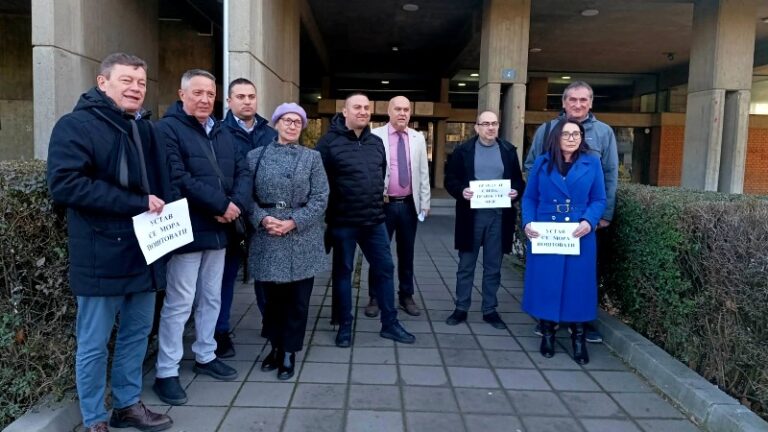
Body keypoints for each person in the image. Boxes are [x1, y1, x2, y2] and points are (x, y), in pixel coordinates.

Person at [47, 52, 173, 432]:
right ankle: (94, 420)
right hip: (100, 253)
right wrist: (136, 202)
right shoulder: (75, 126)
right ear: (102, 83)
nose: (136, 88)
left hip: (145, 251)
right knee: (93, 343)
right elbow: (65, 185)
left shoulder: (143, 127)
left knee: (136, 334)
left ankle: (127, 405)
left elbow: (160, 185)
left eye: (141, 82)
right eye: (126, 81)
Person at [153, 69, 251, 405]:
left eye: (210, 93)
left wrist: (234, 204)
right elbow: (176, 177)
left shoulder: (223, 131)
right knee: (179, 303)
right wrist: (221, 204)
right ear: (181, 95)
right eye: (197, 93)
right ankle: (167, 371)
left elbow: (243, 171)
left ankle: (206, 354)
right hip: (188, 230)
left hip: (221, 230)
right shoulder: (167, 129)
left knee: (212, 297)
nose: (205, 99)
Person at [316, 92, 415, 348]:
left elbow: (380, 174)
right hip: (343, 222)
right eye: (357, 107)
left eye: (366, 108)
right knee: (342, 274)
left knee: (385, 269)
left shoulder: (375, 142)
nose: (362, 111)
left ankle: (390, 324)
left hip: (374, 221)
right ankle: (345, 326)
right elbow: (319, 183)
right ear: (345, 111)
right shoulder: (328, 143)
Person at [524, 80, 618, 343]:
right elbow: (531, 167)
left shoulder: (604, 132)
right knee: (549, 272)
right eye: (572, 99)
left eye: (583, 100)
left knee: (582, 273)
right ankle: (547, 318)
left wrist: (603, 214)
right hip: (549, 221)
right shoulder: (547, 130)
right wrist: (535, 213)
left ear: (591, 102)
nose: (578, 104)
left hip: (585, 220)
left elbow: (609, 175)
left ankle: (582, 322)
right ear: (564, 102)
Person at [247, 102, 328, 380]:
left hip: (301, 238)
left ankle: (290, 351)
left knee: (297, 301)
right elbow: (247, 197)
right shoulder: (256, 156)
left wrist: (294, 221)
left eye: (297, 122)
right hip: (267, 236)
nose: (292, 125)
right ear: (276, 123)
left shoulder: (312, 158)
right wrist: (262, 218)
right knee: (270, 301)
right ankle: (275, 345)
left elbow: (320, 197)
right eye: (287, 120)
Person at [521, 118, 606, 365]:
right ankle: (547, 333)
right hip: (546, 232)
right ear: (556, 137)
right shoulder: (542, 162)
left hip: (579, 232)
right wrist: (527, 223)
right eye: (567, 134)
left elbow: (599, 199)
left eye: (577, 134)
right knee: (546, 283)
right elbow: (530, 198)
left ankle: (578, 338)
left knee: (578, 285)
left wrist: (589, 221)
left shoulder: (593, 163)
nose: (572, 138)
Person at [444, 110, 525, 329]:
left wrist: (516, 192)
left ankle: (490, 309)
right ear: (476, 127)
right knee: (466, 264)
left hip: (499, 216)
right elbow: (450, 179)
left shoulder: (508, 151)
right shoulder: (463, 151)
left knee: (493, 266)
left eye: (494, 123)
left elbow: (518, 181)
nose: (490, 127)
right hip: (472, 216)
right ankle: (461, 307)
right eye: (485, 124)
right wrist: (462, 191)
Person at [215, 77, 277, 359]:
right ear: (229, 101)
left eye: (251, 96)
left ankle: (270, 322)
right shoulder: (218, 133)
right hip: (234, 215)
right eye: (240, 96)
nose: (247, 101)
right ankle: (221, 331)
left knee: (266, 274)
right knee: (225, 276)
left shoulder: (269, 132)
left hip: (263, 216)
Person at [365, 96, 431, 318]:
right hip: (383, 205)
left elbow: (423, 172)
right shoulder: (374, 136)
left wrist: (425, 202)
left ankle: (406, 295)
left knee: (407, 253)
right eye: (398, 109)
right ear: (389, 111)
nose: (402, 113)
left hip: (409, 205)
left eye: (406, 109)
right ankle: (375, 297)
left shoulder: (418, 138)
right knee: (379, 253)